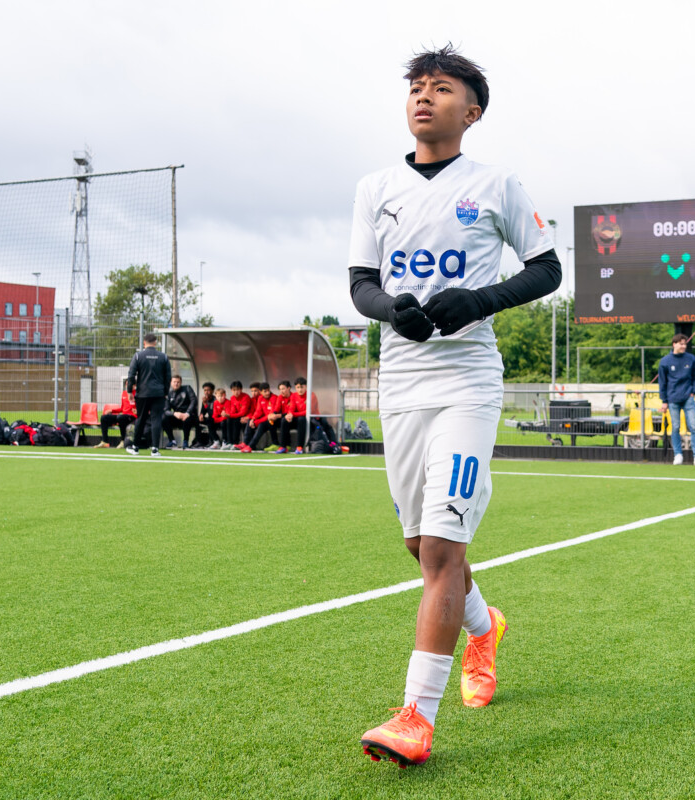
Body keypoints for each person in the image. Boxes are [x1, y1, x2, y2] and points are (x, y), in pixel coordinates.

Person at [348, 46, 561, 768]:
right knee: (421, 548)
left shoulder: (496, 184)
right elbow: (361, 284)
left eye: (440, 88)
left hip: (467, 384)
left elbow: (547, 269)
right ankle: (484, 626)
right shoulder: (376, 187)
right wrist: (392, 310)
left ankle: (416, 716)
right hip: (402, 385)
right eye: (416, 87)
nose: (423, 97)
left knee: (442, 549)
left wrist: (479, 300)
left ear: (471, 111)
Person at [657, 334, 695, 466]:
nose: (684, 346)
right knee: (675, 427)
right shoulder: (665, 361)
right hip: (673, 399)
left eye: (685, 344)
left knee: (694, 426)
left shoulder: (691, 358)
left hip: (688, 398)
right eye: (681, 344)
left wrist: (693, 391)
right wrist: (664, 400)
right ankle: (678, 454)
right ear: (674, 344)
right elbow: (662, 382)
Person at [126, 332, 171, 457]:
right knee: (156, 419)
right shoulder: (163, 357)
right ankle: (155, 449)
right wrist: (165, 392)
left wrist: (129, 391)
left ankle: (135, 447)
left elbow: (131, 375)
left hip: (143, 393)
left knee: (141, 419)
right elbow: (168, 377)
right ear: (155, 343)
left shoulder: (138, 356)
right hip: (158, 393)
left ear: (144, 343)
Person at [281, 376, 339, 454]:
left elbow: (309, 411)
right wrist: (290, 414)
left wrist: (293, 414)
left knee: (303, 419)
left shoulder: (311, 395)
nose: (300, 390)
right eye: (298, 387)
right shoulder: (294, 396)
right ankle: (283, 446)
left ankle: (299, 447)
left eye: (302, 387)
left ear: (306, 387)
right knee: (284, 420)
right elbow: (291, 408)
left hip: (312, 420)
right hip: (300, 419)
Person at [161, 375, 199, 449]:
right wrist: (174, 413)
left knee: (187, 419)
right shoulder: (169, 394)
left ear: (181, 383)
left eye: (178, 382)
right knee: (163, 418)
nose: (176, 384)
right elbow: (166, 410)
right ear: (171, 383)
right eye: (174, 382)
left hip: (189, 416)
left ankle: (185, 441)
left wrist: (187, 413)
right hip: (177, 416)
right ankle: (172, 440)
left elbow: (194, 401)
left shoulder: (187, 388)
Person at [239, 383, 277, 453]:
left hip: (275, 420)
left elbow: (270, 415)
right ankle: (245, 443)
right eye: (265, 391)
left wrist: (257, 422)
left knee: (262, 424)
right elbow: (258, 411)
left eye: (268, 390)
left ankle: (250, 446)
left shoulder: (274, 398)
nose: (267, 393)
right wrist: (253, 419)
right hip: (267, 420)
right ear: (261, 392)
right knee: (250, 421)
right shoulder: (260, 398)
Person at [224, 381, 253, 450]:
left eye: (237, 389)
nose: (236, 392)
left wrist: (230, 415)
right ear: (231, 390)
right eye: (234, 390)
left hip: (247, 416)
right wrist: (227, 414)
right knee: (228, 420)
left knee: (236, 420)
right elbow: (233, 411)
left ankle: (236, 443)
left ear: (241, 389)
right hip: (239, 416)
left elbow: (243, 412)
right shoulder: (232, 398)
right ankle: (230, 443)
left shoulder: (245, 397)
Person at [269, 381, 293, 454]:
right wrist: (272, 415)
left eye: (283, 389)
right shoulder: (280, 397)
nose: (281, 391)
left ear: (289, 388)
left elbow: (291, 411)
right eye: (280, 389)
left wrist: (278, 415)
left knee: (284, 421)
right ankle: (275, 443)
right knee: (270, 422)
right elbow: (277, 409)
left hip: (292, 418)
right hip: (283, 417)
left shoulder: (293, 396)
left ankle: (285, 445)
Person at [197, 382, 218, 448]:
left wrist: (206, 404)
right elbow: (202, 411)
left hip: (217, 419)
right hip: (210, 419)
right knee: (196, 420)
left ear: (212, 391)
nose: (206, 392)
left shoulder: (216, 400)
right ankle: (198, 441)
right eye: (205, 390)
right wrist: (201, 415)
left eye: (208, 390)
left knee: (210, 421)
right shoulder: (205, 400)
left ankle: (214, 441)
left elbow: (213, 414)